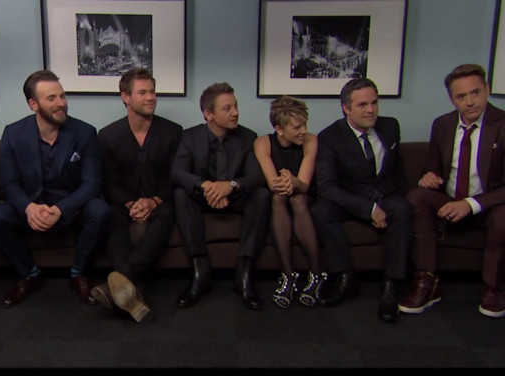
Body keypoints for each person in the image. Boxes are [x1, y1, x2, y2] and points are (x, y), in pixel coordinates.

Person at [0, 70, 111, 308]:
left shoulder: (85, 133)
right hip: (30, 207)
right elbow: (9, 184)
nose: (61, 103)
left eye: (62, 96)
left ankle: (78, 273)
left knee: (100, 210)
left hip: (70, 208)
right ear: (34, 104)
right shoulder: (13, 133)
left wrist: (61, 209)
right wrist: (29, 208)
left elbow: (91, 184)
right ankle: (30, 273)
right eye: (51, 98)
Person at [399, 64, 505, 318]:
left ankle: (494, 288)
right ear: (452, 99)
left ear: (487, 90)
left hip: (489, 204)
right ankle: (427, 280)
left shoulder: (502, 124)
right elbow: (432, 167)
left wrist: (471, 204)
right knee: (416, 197)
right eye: (461, 96)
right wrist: (428, 176)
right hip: (449, 200)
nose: (470, 102)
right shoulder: (443, 124)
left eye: (475, 93)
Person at [311, 77, 411, 323]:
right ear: (346, 108)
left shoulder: (390, 126)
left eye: (374, 103)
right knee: (321, 210)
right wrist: (368, 209)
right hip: (350, 199)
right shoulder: (329, 137)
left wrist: (398, 196)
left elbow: (397, 168)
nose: (371, 110)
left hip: (385, 195)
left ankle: (392, 285)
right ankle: (345, 276)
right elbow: (327, 187)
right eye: (363, 105)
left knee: (402, 208)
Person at [91, 68, 182, 323]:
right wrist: (132, 203)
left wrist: (153, 201)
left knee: (167, 214)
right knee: (110, 215)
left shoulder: (173, 132)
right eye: (142, 92)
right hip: (124, 202)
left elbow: (176, 176)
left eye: (152, 92)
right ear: (126, 97)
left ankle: (120, 282)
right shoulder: (107, 136)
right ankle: (132, 290)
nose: (150, 97)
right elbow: (108, 182)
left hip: (161, 201)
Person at [171, 82, 271, 310]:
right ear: (209, 114)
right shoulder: (189, 137)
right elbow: (177, 172)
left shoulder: (248, 137)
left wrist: (230, 186)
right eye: (227, 108)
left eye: (235, 106)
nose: (235, 112)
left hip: (235, 197)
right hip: (203, 197)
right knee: (180, 193)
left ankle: (244, 276)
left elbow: (256, 176)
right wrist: (206, 186)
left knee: (262, 195)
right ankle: (200, 273)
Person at [253, 95, 325, 309]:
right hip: (280, 197)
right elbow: (272, 183)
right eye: (297, 127)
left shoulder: (311, 140)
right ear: (279, 129)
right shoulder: (262, 143)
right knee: (278, 197)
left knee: (298, 199)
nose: (303, 130)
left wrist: (294, 181)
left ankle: (316, 274)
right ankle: (288, 274)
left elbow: (304, 184)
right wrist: (286, 182)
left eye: (304, 124)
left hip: (305, 196)